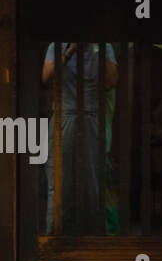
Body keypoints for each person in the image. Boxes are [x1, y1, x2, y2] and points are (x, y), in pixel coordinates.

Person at [42, 42, 117, 233]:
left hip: (91, 114)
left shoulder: (103, 46)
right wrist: (70, 51)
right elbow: (46, 76)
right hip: (64, 114)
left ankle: (93, 237)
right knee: (59, 180)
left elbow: (112, 80)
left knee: (93, 181)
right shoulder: (57, 45)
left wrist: (97, 49)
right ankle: (56, 236)